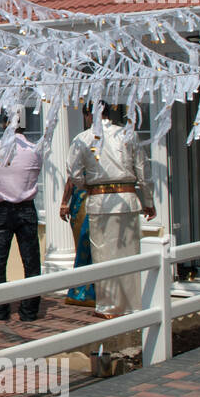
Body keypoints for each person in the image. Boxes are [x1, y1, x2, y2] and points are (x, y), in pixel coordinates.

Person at [65, 103, 156, 318]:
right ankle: (133, 303)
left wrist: (85, 185)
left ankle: (108, 306)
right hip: (127, 199)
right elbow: (143, 171)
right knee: (129, 252)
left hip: (99, 199)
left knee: (103, 255)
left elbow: (74, 172)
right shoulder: (127, 134)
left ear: (89, 115)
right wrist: (148, 200)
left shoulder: (82, 138)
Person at [0, 112, 43, 321]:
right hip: (26, 207)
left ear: (4, 124)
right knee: (31, 261)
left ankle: (0, 309)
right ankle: (29, 310)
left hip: (1, 208)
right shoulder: (35, 149)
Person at [59, 104, 96, 307]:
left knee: (89, 244)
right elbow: (71, 175)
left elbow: (73, 174)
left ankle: (91, 290)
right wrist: (65, 202)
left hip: (89, 195)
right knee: (83, 245)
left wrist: (66, 201)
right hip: (85, 196)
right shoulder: (83, 139)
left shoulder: (84, 139)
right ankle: (84, 290)